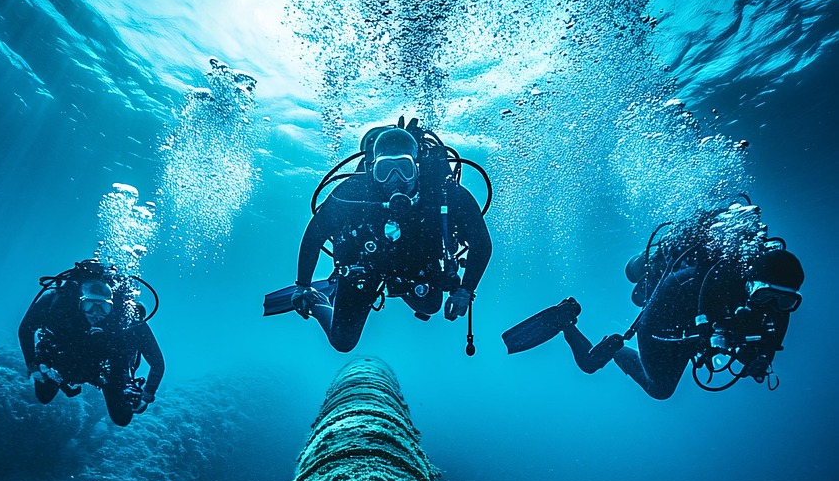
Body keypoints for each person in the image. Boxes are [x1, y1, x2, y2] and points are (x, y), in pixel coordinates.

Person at [502, 202, 804, 398]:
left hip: (692, 333)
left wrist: (761, 358)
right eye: (766, 296)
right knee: (607, 370)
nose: (774, 307)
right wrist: (675, 335)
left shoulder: (776, 305)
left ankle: (603, 339)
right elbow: (655, 307)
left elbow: (770, 333)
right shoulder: (703, 280)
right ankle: (566, 320)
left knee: (661, 388)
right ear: (751, 282)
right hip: (665, 324)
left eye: (786, 302)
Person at [265, 118, 493, 353]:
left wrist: (465, 290)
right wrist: (303, 286)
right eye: (385, 171)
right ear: (372, 169)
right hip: (363, 269)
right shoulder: (352, 192)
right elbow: (315, 235)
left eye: (404, 169)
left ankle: (374, 290)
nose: (395, 180)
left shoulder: (444, 192)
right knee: (342, 342)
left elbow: (482, 244)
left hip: (416, 269)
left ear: (417, 167)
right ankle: (319, 298)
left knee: (431, 306)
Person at [18, 258, 165, 426]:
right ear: (79, 302)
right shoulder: (59, 302)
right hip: (64, 361)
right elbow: (25, 329)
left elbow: (157, 362)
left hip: (108, 369)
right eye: (89, 305)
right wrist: (33, 365)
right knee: (43, 396)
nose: (96, 313)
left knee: (122, 418)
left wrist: (146, 395)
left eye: (104, 307)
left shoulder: (126, 316)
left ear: (113, 306)